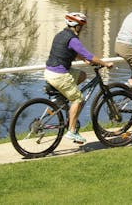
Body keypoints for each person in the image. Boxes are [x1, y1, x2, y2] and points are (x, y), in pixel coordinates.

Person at [44, 12, 113, 144]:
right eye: (82, 26)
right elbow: (89, 55)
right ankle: (71, 131)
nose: (83, 29)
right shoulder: (73, 39)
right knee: (78, 99)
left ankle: (61, 98)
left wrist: (83, 60)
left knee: (82, 75)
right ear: (76, 26)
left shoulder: (61, 35)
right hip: (59, 75)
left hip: (49, 72)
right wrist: (105, 63)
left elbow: (68, 51)